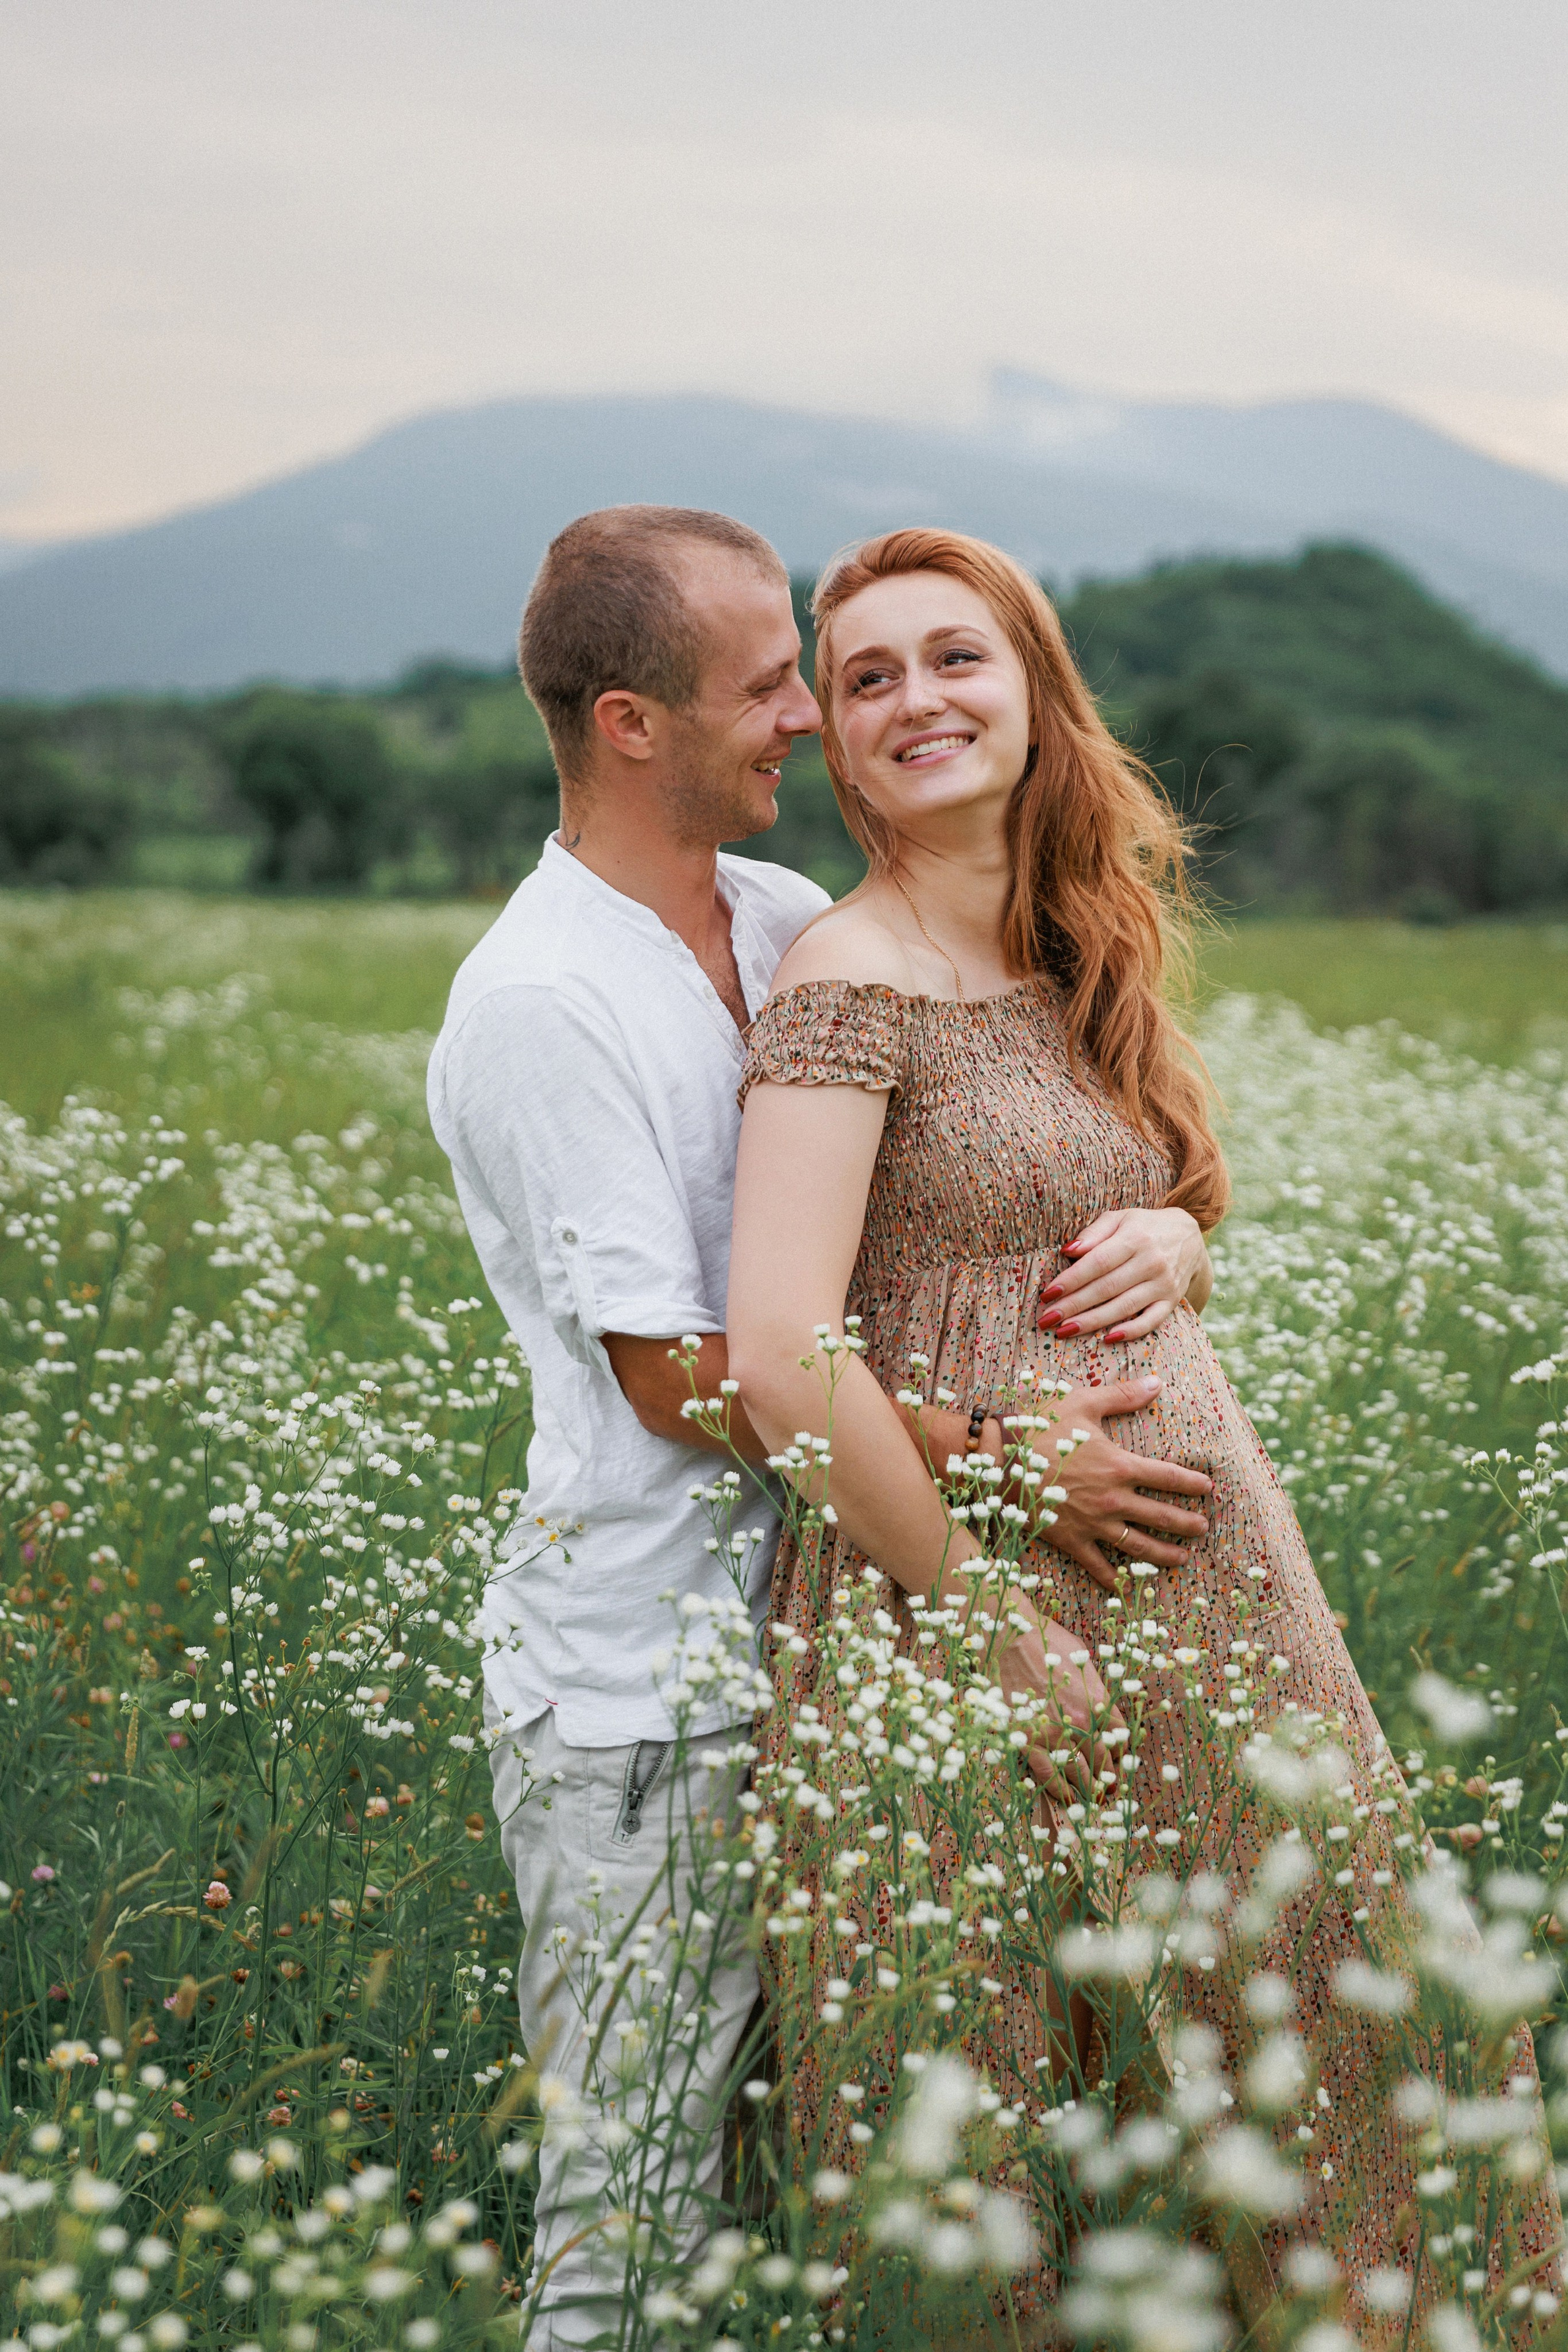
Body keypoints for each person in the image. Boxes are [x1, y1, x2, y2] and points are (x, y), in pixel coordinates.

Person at [724, 527, 1561, 2321]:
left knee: (1308, 2011)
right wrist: (978, 1616)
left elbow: (1140, 1182)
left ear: (1034, 688)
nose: (916, 699)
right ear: (842, 746)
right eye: (866, 678)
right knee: (1023, 2084)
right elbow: (785, 1345)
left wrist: (1183, 1224)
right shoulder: (847, 977)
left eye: (957, 657)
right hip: (971, 1599)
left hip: (1212, 1589)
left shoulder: (1070, 934)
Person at [427, 505, 1217, 2344]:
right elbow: (682, 1372)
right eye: (774, 679)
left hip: (835, 1630)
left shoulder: (784, 919)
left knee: (860, 2172)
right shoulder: (545, 1000)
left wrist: (1174, 1216)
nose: (807, 716)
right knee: (630, 2208)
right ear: (633, 722)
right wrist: (1004, 1459)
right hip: (652, 1684)